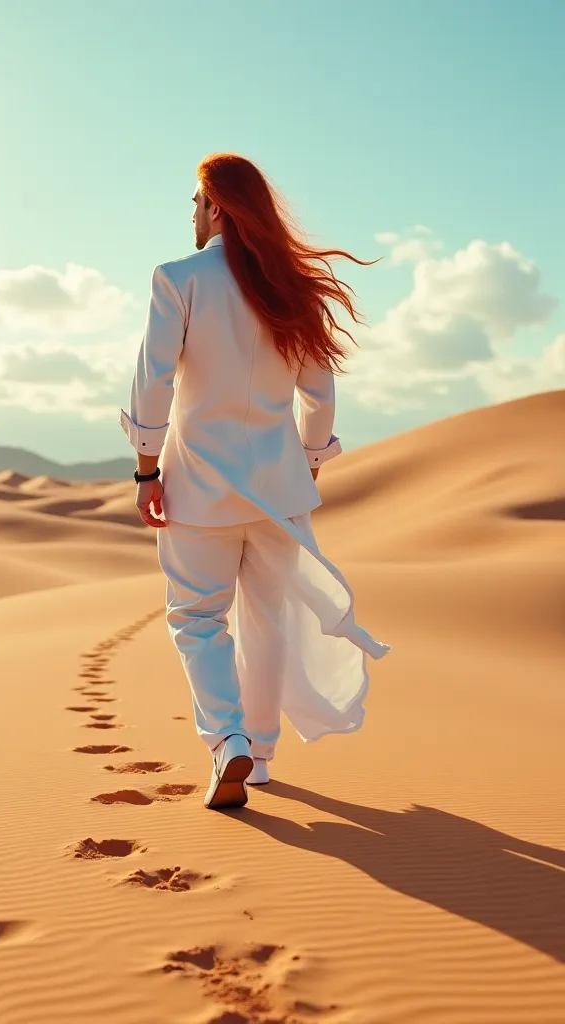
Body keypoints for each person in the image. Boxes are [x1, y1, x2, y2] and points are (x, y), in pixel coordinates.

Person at [119, 153, 391, 811]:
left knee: (197, 621)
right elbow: (319, 396)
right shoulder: (290, 289)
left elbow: (152, 381)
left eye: (195, 201)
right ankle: (261, 758)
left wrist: (146, 468)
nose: (191, 213)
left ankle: (226, 741)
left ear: (217, 207)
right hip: (277, 492)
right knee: (266, 620)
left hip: (197, 488)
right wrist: (308, 463)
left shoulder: (177, 278)